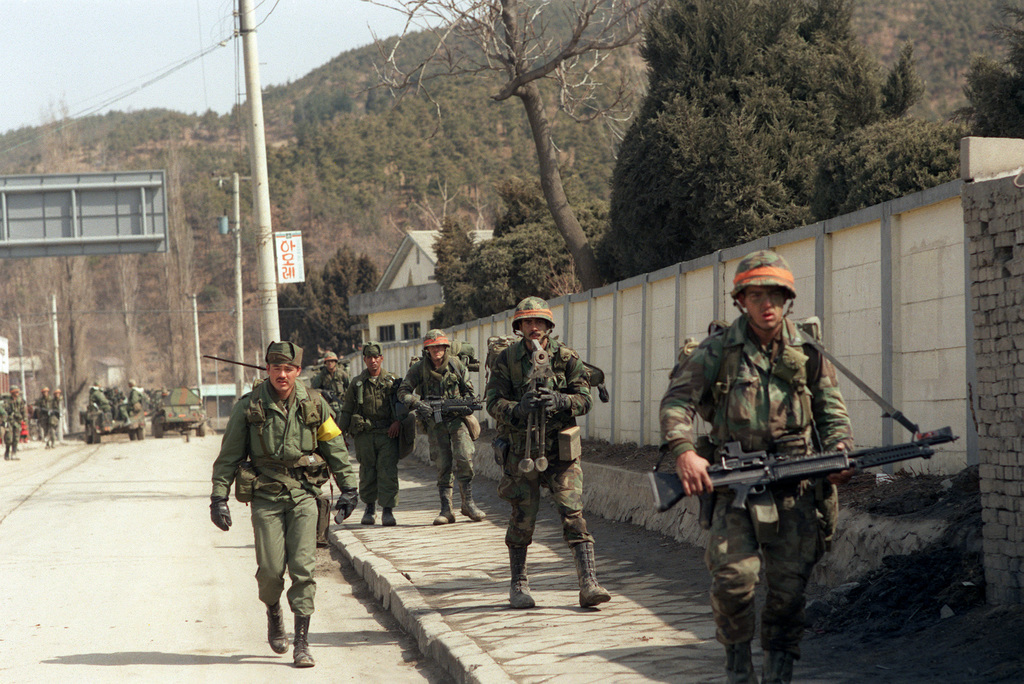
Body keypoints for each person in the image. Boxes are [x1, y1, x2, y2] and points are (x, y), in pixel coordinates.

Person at [659, 250, 854, 684]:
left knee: (788, 592)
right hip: (736, 484)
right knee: (733, 582)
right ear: (741, 301)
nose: (767, 304)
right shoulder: (718, 350)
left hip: (796, 485)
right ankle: (739, 671)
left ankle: (779, 676)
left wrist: (840, 448)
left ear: (788, 299)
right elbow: (677, 402)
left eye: (776, 296)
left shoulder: (807, 350)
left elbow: (831, 411)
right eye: (756, 295)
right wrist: (684, 450)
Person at [209, 341, 359, 668]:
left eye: (288, 368)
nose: (282, 374)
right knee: (270, 571)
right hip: (265, 495)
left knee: (303, 568)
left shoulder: (316, 404)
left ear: (297, 371)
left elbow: (334, 446)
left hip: (304, 494)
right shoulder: (248, 407)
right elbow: (229, 456)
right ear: (267, 370)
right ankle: (274, 611)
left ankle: (302, 642)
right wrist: (218, 496)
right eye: (276, 368)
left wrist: (349, 487)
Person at [484, 296, 611, 609]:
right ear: (519, 327)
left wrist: (561, 401)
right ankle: (518, 584)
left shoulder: (566, 358)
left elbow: (585, 399)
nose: (534, 328)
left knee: (573, 513)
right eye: (527, 322)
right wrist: (518, 408)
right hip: (521, 451)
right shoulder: (506, 359)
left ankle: (589, 583)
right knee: (522, 519)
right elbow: (491, 403)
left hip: (560, 452)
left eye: (539, 322)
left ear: (548, 326)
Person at [397, 329, 486, 525]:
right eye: (432, 347)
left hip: (456, 420)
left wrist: (462, 403)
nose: (436, 350)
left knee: (464, 457)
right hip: (435, 423)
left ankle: (468, 504)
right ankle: (446, 509)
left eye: (439, 346)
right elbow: (402, 391)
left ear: (445, 348)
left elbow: (469, 392)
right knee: (442, 464)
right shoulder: (419, 369)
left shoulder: (456, 365)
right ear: (427, 349)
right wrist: (418, 403)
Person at [338, 342, 402, 526]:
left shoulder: (392, 381)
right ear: (364, 359)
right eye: (369, 357)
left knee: (387, 471)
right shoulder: (357, 384)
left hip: (387, 434)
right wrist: (339, 434)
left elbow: (402, 406)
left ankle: (388, 510)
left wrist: (398, 421)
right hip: (365, 435)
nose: (373, 361)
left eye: (376, 357)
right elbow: (347, 410)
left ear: (381, 358)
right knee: (367, 471)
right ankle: (370, 508)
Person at [310, 350, 350, 544]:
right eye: (328, 362)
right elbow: (312, 391)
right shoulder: (320, 377)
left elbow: (349, 391)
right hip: (326, 412)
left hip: (340, 409)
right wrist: (322, 394)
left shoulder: (343, 375)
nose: (331, 364)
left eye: (333, 361)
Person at [5, 386, 26, 460]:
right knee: (9, 438)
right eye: (16, 392)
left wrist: (24, 419)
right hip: (10, 421)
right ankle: (7, 452)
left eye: (18, 392)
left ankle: (14, 453)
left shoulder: (20, 400)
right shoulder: (8, 401)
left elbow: (23, 410)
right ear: (12, 393)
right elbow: (4, 411)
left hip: (17, 421)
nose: (17, 393)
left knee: (16, 438)